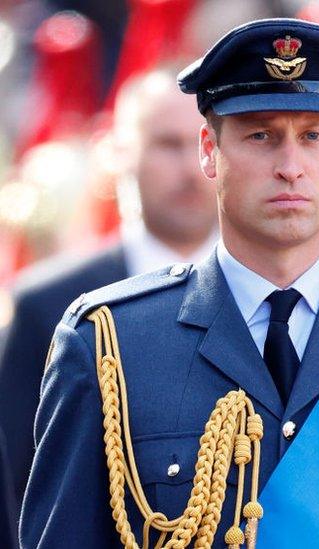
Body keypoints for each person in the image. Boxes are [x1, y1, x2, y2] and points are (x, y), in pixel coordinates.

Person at [20, 19, 319, 549]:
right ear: (208, 150)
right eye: (261, 135)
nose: (290, 166)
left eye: (312, 136)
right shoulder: (110, 347)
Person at [0, 65, 218, 544]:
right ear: (119, 153)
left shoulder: (274, 296)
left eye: (202, 143)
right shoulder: (46, 305)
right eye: (166, 144)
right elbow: (16, 484)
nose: (189, 167)